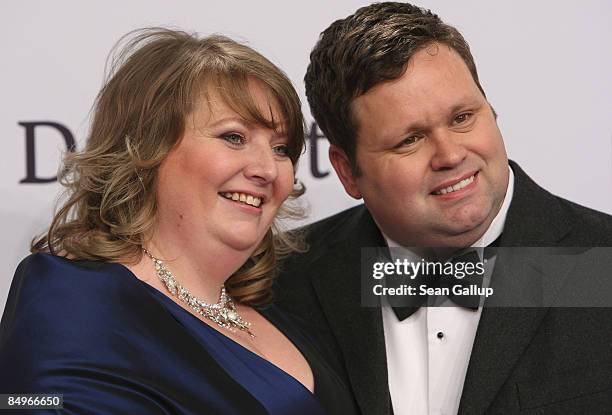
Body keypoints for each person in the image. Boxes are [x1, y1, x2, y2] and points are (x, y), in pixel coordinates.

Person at [275, 3, 612, 415]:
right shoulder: (283, 284)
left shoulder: (603, 261)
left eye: (463, 118)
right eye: (409, 140)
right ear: (347, 172)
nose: (450, 155)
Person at [0, 28, 358, 415]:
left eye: (281, 148)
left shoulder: (283, 308)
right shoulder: (74, 297)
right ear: (146, 147)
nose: (267, 169)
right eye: (234, 137)